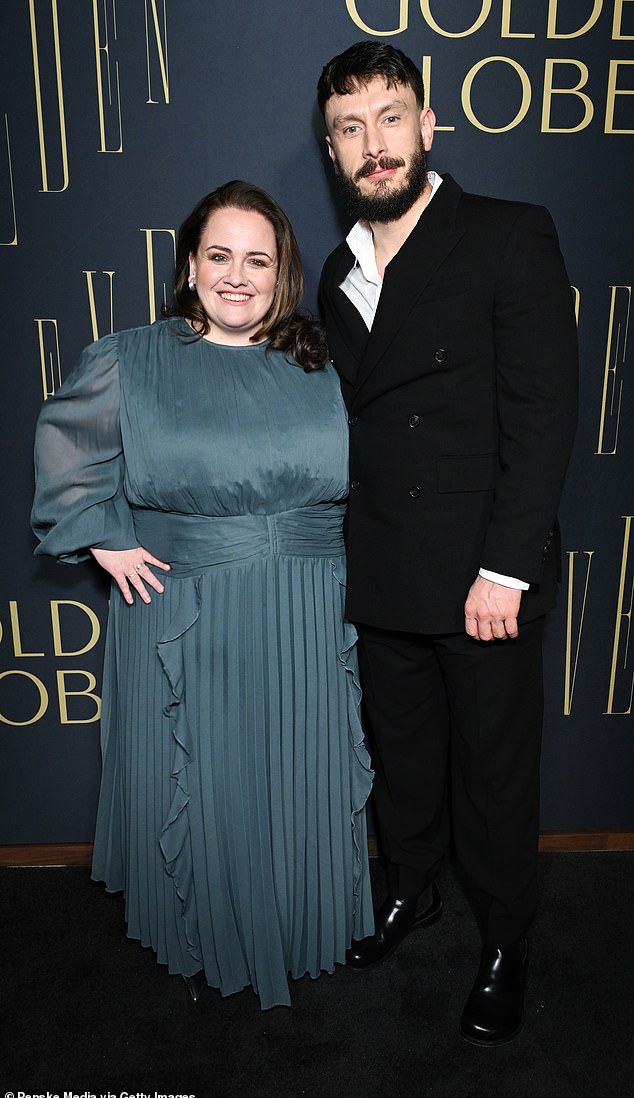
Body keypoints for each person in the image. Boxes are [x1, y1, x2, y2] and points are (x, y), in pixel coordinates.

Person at [31, 180, 374, 1010]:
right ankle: (207, 934)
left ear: (282, 273)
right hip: (188, 614)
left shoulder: (322, 359)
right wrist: (104, 534)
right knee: (205, 784)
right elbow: (64, 444)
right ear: (189, 264)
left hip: (306, 606)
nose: (236, 275)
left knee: (295, 778)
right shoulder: (132, 357)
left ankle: (299, 924)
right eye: (219, 255)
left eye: (258, 260)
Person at [317, 42, 578, 1045]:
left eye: (389, 118)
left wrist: (504, 566)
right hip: (383, 567)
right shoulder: (338, 269)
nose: (372, 145)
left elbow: (543, 413)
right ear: (334, 152)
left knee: (497, 775)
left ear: (428, 127)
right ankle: (410, 891)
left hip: (482, 578)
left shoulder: (507, 235)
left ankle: (506, 938)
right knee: (406, 761)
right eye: (349, 129)